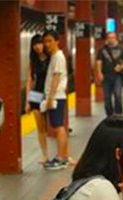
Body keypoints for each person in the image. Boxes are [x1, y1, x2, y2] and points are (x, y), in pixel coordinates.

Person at [42, 30, 70, 170]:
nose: (47, 44)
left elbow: (56, 78)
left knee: (59, 128)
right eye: (45, 41)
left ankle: (61, 158)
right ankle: (63, 157)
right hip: (56, 97)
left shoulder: (58, 56)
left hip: (56, 97)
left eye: (50, 41)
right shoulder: (54, 56)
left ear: (57, 41)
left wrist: (50, 97)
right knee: (58, 127)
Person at [25, 34, 51, 166]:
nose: (38, 47)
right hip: (36, 94)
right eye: (35, 44)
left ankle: (58, 154)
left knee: (50, 126)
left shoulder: (51, 58)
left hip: (49, 94)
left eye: (40, 43)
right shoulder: (32, 61)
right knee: (40, 127)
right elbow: (30, 80)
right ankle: (45, 155)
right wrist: (27, 101)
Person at [96, 32, 123, 117]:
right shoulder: (102, 50)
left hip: (117, 76)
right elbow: (99, 62)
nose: (111, 39)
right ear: (107, 39)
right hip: (106, 75)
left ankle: (119, 114)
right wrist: (99, 73)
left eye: (113, 37)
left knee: (118, 95)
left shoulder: (120, 48)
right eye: (110, 37)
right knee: (107, 97)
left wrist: (121, 67)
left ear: (115, 38)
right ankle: (109, 115)